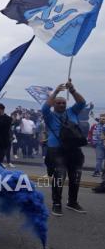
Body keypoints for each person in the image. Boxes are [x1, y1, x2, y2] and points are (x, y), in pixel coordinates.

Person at [43, 80, 86, 216]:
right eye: (58, 103)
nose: (61, 104)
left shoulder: (72, 111)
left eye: (63, 103)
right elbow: (44, 108)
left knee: (76, 177)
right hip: (56, 150)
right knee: (59, 176)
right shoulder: (49, 115)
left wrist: (72, 90)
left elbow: (82, 103)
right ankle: (57, 203)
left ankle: (72, 202)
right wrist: (55, 92)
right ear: (54, 104)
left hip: (74, 149)